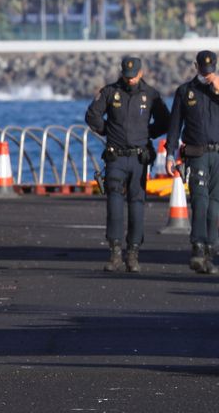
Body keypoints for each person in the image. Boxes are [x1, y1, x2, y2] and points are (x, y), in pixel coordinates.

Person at [86, 56, 170, 272]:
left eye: (133, 76)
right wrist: (108, 131)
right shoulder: (110, 92)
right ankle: (115, 252)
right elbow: (92, 115)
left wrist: (147, 134)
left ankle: (133, 253)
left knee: (137, 204)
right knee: (114, 204)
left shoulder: (150, 94)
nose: (130, 79)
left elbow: (165, 121)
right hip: (115, 157)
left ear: (140, 73)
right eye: (126, 75)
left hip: (139, 158)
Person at [165, 50, 219, 275]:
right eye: (203, 70)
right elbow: (175, 124)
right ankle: (197, 247)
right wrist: (170, 154)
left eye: (210, 71)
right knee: (199, 201)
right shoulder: (185, 91)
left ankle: (210, 250)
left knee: (215, 205)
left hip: (218, 155)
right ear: (196, 67)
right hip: (196, 154)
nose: (207, 75)